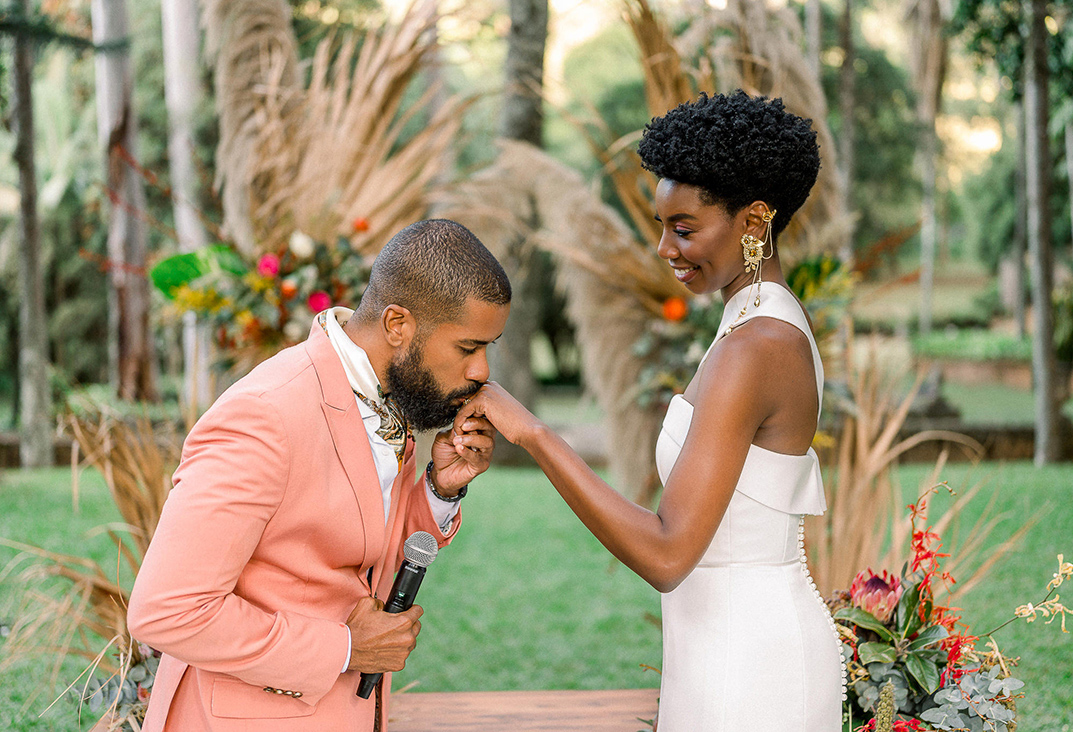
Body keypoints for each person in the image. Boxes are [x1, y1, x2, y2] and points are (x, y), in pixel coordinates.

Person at [453, 92, 845, 731]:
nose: (665, 247)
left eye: (684, 228)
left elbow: (667, 555)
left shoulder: (756, 346)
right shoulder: (753, 321)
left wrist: (535, 435)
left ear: (753, 223)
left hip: (751, 668)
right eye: (662, 225)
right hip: (720, 646)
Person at [128, 219, 510, 731]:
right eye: (468, 348)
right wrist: (347, 647)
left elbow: (361, 551)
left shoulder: (387, 397)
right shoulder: (266, 415)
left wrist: (440, 489)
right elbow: (167, 610)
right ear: (398, 324)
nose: (483, 370)